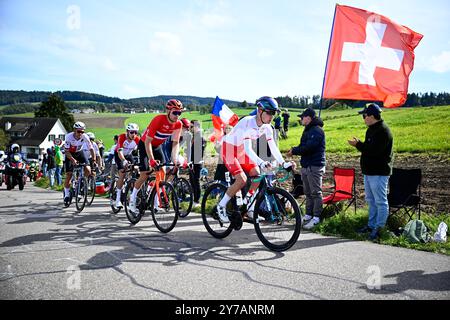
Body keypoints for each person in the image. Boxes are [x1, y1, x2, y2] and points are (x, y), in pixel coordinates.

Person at [217, 96, 296, 223]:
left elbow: (273, 148)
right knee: (241, 179)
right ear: (260, 111)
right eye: (269, 112)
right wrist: (262, 162)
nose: (271, 116)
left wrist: (284, 163)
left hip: (241, 150)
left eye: (273, 113)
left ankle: (249, 205)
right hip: (229, 149)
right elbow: (249, 149)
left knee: (257, 174)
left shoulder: (267, 127)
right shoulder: (248, 122)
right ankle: (221, 206)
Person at [128, 99, 184, 215]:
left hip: (157, 146)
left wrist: (175, 159)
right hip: (145, 145)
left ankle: (155, 201)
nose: (177, 116)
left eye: (180, 113)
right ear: (168, 111)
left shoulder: (178, 124)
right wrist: (152, 160)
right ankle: (132, 200)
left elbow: (175, 143)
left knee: (162, 172)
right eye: (175, 112)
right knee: (145, 174)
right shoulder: (158, 120)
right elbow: (148, 142)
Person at [348, 103, 393, 241]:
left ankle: (379, 229)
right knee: (371, 201)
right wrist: (361, 144)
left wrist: (358, 145)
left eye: (364, 115)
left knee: (380, 201)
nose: (363, 118)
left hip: (379, 173)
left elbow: (373, 151)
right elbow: (368, 147)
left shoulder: (383, 131)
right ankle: (371, 225)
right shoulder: (372, 129)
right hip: (370, 172)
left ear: (372, 116)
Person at [287, 108, 326, 230]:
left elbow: (309, 147)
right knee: (308, 193)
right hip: (306, 165)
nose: (301, 119)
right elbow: (303, 146)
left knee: (316, 192)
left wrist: (295, 151)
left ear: (308, 118)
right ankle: (308, 215)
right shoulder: (308, 130)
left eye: (302, 117)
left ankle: (316, 218)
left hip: (314, 166)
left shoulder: (317, 131)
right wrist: (294, 149)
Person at [63, 122, 96, 205]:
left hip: (79, 153)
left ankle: (82, 183)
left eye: (82, 132)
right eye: (79, 131)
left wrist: (94, 160)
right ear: (74, 130)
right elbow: (66, 151)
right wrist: (73, 160)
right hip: (69, 154)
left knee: (88, 169)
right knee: (69, 175)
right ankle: (66, 195)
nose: (80, 133)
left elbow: (91, 149)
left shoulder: (85, 137)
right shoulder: (68, 137)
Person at [113, 123, 140, 209]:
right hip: (119, 155)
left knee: (135, 170)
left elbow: (142, 150)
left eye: (136, 132)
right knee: (122, 173)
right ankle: (117, 200)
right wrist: (124, 161)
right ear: (127, 132)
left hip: (128, 155)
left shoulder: (137, 139)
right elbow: (120, 151)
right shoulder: (122, 137)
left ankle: (130, 186)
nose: (134, 135)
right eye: (132, 132)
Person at [189, 120, 206, 207]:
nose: (190, 129)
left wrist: (194, 162)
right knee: (192, 181)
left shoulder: (200, 137)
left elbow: (200, 152)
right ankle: (194, 199)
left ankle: (197, 200)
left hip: (197, 162)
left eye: (191, 127)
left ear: (197, 127)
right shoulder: (195, 136)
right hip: (192, 162)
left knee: (196, 181)